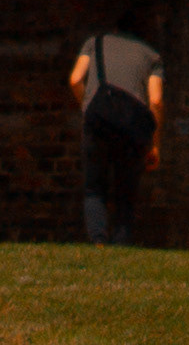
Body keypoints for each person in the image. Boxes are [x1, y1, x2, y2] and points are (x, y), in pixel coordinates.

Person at [69, 21, 163, 243]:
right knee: (126, 191)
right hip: (131, 126)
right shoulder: (153, 56)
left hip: (97, 120)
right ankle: (121, 244)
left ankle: (99, 241)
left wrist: (88, 107)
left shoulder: (94, 43)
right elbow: (156, 100)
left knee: (94, 187)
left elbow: (75, 79)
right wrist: (154, 143)